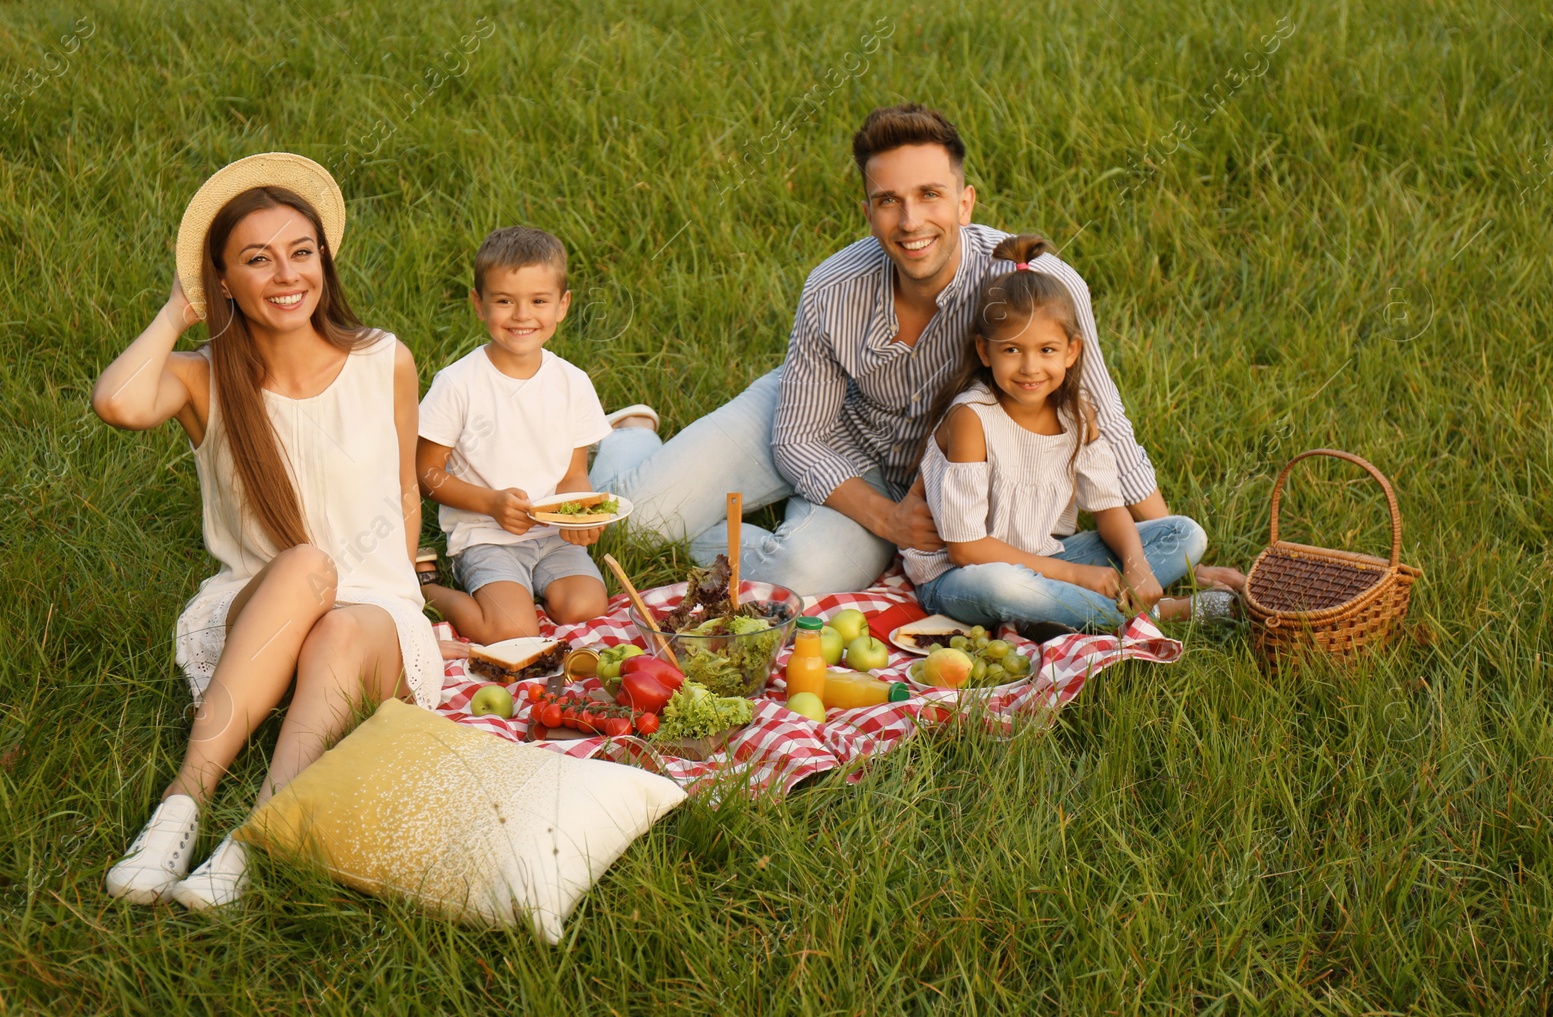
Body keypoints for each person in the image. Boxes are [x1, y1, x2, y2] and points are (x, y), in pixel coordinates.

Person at [590, 103, 1241, 596]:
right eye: (888, 201)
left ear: (965, 201)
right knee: (636, 525)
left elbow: (1103, 422)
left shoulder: (1033, 286)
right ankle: (628, 433)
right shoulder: (832, 288)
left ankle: (730, 531)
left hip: (917, 474)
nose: (910, 222)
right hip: (816, 420)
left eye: (930, 195)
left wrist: (1167, 553)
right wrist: (890, 522)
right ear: (868, 209)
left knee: (802, 573)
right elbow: (796, 438)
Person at [92, 153, 445, 910]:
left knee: (344, 621)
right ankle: (180, 808)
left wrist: (408, 587)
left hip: (375, 622)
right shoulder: (202, 377)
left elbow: (406, 487)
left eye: (301, 252)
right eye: (256, 259)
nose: (286, 275)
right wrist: (178, 308)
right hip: (258, 610)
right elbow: (117, 402)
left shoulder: (385, 359)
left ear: (324, 259)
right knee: (307, 567)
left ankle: (256, 834)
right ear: (221, 279)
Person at [905, 234, 1236, 632]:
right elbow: (965, 548)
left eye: (1046, 350)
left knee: (1184, 534)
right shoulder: (972, 418)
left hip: (1048, 557)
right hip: (960, 579)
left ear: (1072, 351)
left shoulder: (1076, 413)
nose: (1030, 367)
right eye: (1012, 350)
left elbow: (1110, 508)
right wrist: (1074, 575)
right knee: (1004, 584)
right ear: (984, 351)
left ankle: (1055, 612)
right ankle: (1157, 612)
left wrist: (1136, 564)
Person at [414, 227, 615, 640]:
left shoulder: (572, 383)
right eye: (505, 301)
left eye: (539, 301)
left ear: (562, 306)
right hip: (485, 535)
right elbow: (425, 473)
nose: (522, 315)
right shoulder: (459, 384)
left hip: (552, 536)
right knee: (511, 630)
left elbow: (573, 474)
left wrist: (582, 513)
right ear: (478, 304)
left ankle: (530, 588)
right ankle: (426, 587)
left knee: (587, 606)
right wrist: (490, 503)